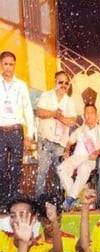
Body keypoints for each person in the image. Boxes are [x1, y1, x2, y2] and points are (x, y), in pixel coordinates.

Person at [0, 51, 34, 210]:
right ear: (1, 64)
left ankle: (12, 202)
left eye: (11, 64)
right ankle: (2, 201)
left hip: (16, 131)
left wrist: (30, 134)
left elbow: (28, 109)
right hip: (0, 130)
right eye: (5, 63)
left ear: (14, 66)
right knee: (1, 167)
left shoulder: (21, 85)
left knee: (15, 168)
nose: (8, 67)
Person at [34, 71, 77, 197]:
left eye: (66, 83)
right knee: (42, 171)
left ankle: (59, 200)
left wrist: (58, 117)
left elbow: (72, 121)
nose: (64, 85)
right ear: (55, 82)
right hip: (45, 141)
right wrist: (55, 114)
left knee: (60, 172)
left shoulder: (70, 101)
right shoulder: (46, 96)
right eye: (61, 82)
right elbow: (40, 112)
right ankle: (38, 200)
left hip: (60, 143)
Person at [58, 103, 100, 211]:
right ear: (84, 115)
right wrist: (66, 150)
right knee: (61, 168)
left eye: (91, 113)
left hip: (91, 159)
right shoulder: (79, 130)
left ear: (96, 115)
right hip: (77, 157)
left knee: (84, 169)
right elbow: (69, 143)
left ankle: (70, 198)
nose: (88, 115)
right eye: (86, 113)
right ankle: (75, 198)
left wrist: (97, 152)